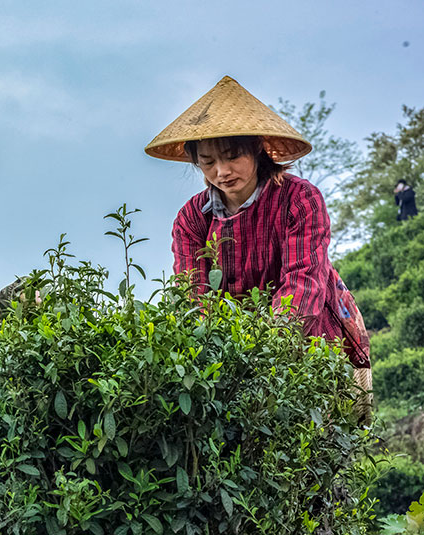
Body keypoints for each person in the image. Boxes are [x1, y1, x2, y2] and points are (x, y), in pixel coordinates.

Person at [145, 76, 371, 416]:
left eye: (232, 156)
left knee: (325, 433)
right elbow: (193, 297)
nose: (222, 171)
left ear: (257, 149)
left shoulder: (300, 199)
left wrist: (268, 349)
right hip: (232, 358)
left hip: (314, 341)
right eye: (208, 162)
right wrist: (227, 357)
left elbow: (303, 282)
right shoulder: (192, 220)